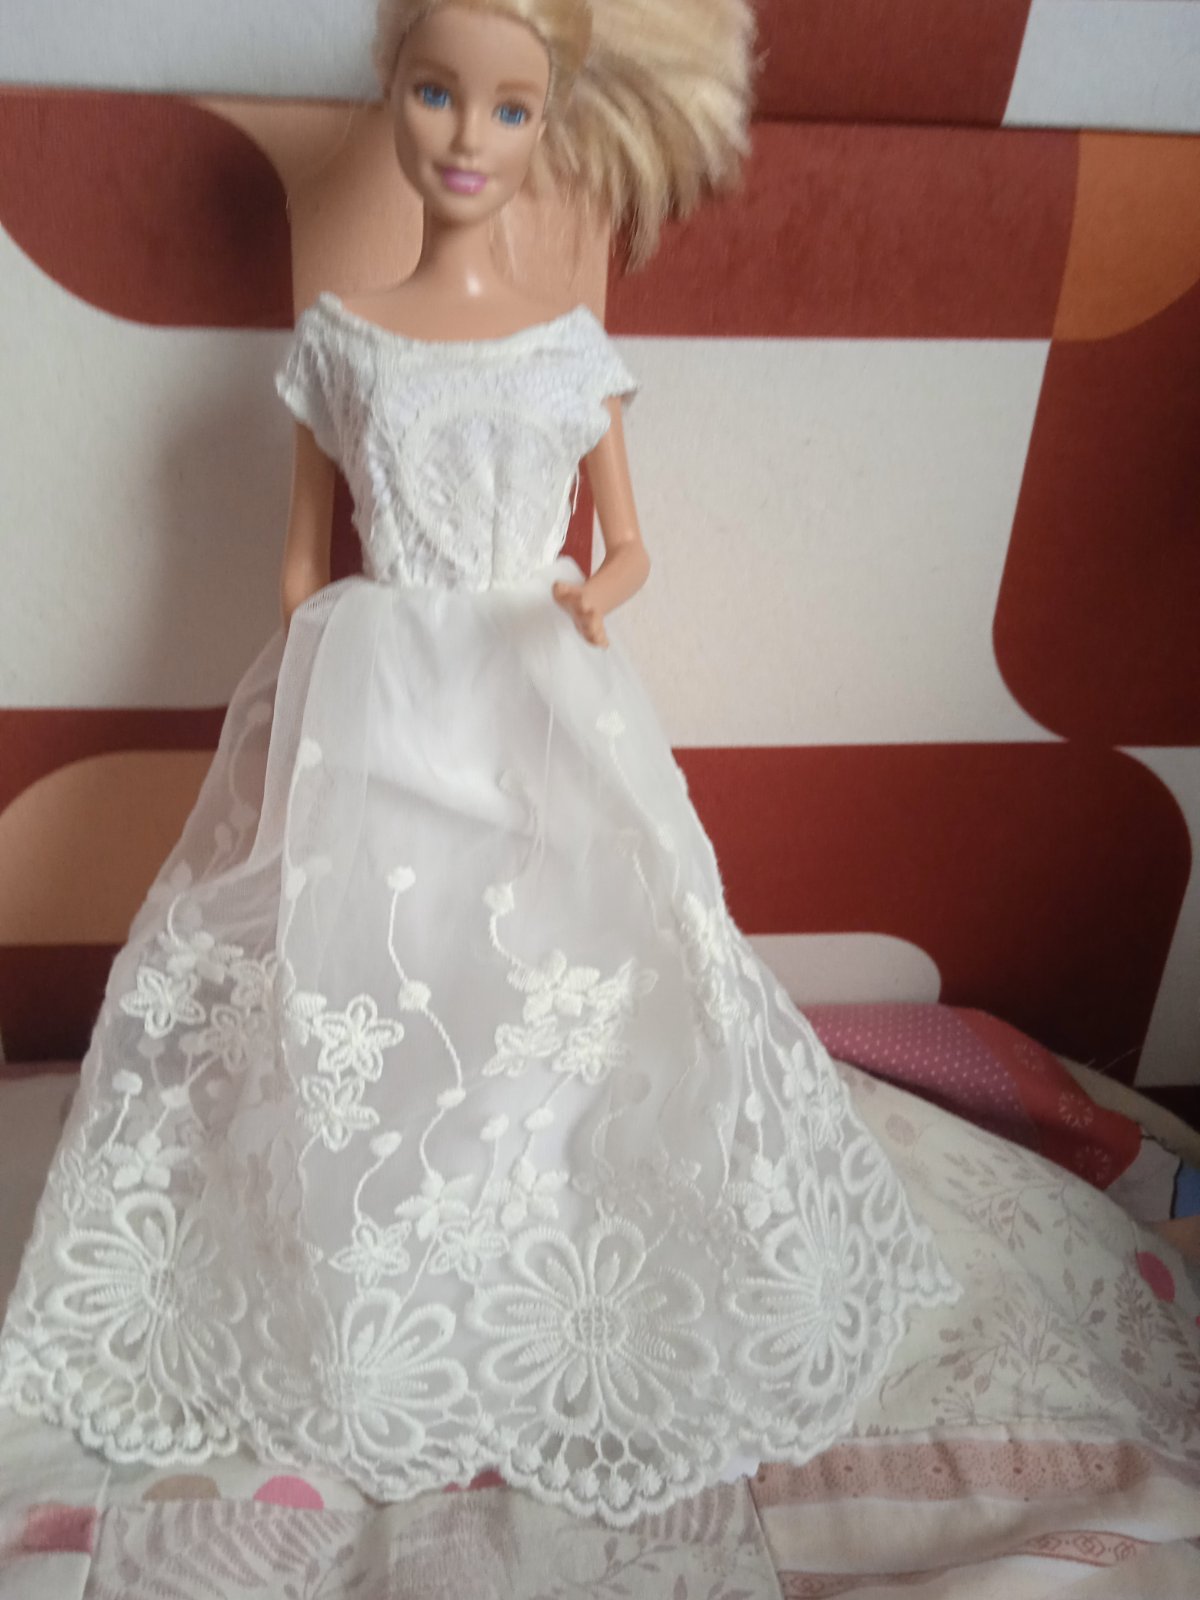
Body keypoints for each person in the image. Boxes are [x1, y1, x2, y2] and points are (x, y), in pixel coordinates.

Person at [0, 0, 961, 1527]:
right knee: (376, 968)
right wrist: (312, 694)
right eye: (437, 94)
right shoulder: (343, 335)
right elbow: (304, 560)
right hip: (381, 686)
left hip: (538, 681)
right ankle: (373, 1262)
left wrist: (592, 596)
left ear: (551, 124)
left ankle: (541, 1243)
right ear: (392, 93)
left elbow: (632, 543)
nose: (467, 136)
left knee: (581, 956)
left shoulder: (572, 350)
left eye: (509, 109)